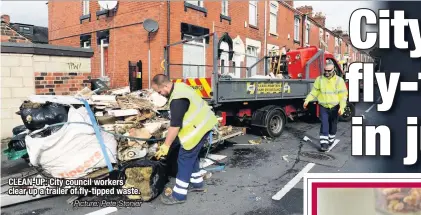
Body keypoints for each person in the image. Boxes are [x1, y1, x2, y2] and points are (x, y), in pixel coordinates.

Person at [151, 74, 219, 205]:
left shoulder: (177, 99)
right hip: (205, 123)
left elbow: (175, 126)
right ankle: (197, 183)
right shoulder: (180, 86)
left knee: (184, 157)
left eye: (159, 91)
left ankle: (179, 194)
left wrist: (166, 146)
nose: (160, 94)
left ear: (165, 86)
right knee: (192, 155)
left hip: (198, 128)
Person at [303, 63, 348, 152]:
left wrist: (342, 107)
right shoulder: (319, 80)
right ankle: (324, 144)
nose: (326, 72)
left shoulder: (339, 81)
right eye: (325, 70)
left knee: (333, 126)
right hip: (323, 106)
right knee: (324, 124)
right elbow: (314, 92)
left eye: (329, 71)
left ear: (333, 70)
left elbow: (343, 95)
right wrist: (307, 100)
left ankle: (331, 139)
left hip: (335, 107)